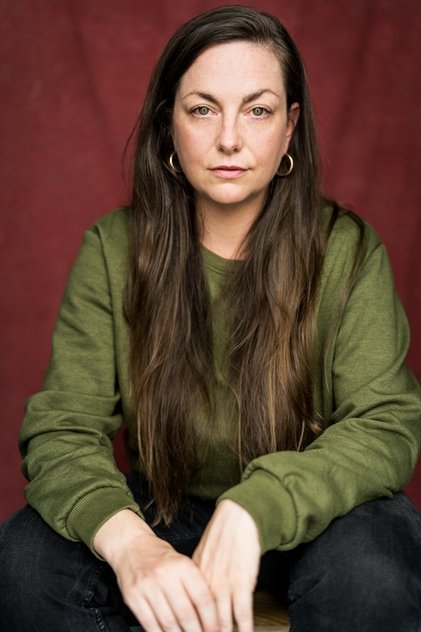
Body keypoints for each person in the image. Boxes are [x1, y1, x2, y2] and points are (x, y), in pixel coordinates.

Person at [1, 5, 421, 632]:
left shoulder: (348, 251)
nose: (229, 139)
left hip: (312, 516)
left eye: (258, 111)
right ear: (168, 124)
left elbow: (385, 425)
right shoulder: (113, 249)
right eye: (202, 110)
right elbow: (62, 428)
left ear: (289, 128)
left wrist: (259, 506)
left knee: (374, 570)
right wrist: (131, 545)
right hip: (165, 516)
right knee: (24, 560)